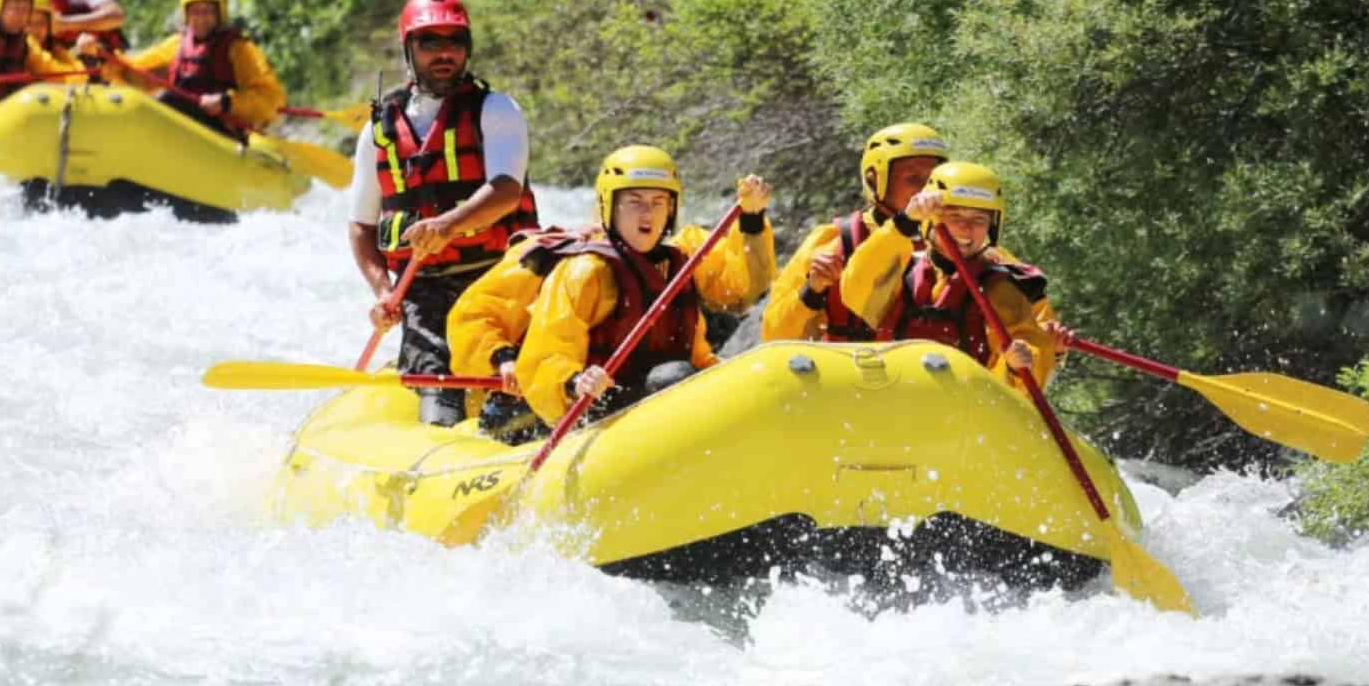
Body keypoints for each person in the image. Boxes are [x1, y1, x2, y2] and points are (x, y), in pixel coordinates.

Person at [447, 165, 775, 440]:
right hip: (558, 399)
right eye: (634, 203)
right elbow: (482, 319)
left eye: (658, 202)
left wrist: (751, 219)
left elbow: (741, 292)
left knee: (676, 376)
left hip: (642, 389)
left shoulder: (676, 263)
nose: (647, 214)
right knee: (672, 377)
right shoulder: (568, 263)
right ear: (607, 208)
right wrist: (508, 360)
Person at [347, 0, 537, 427]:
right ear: (408, 50)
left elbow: (506, 190)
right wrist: (382, 291)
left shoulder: (497, 110)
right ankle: (439, 439)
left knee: (511, 386)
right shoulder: (378, 131)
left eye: (454, 41)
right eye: (429, 42)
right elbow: (361, 228)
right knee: (435, 386)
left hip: (500, 278)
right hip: (424, 291)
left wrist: (448, 225)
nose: (444, 53)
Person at [839, 160, 1072, 394]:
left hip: (963, 413)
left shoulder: (999, 287)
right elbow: (855, 289)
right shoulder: (902, 271)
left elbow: (1029, 358)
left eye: (978, 220)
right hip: (895, 402)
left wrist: (1012, 367)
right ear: (931, 219)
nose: (966, 228)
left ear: (991, 227)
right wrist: (904, 221)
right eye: (955, 216)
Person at [762, 122, 951, 343]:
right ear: (875, 180)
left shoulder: (963, 241)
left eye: (934, 180)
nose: (926, 190)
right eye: (913, 179)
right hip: (851, 371)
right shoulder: (834, 242)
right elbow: (775, 336)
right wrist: (812, 290)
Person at [79, 0, 285, 135]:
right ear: (187, 15)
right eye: (195, 12)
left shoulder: (240, 50)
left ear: (220, 13)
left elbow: (270, 98)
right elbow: (131, 73)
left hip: (222, 132)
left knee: (170, 100)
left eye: (207, 12)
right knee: (166, 100)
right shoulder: (176, 45)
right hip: (182, 129)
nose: (200, 19)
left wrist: (227, 102)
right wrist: (100, 54)